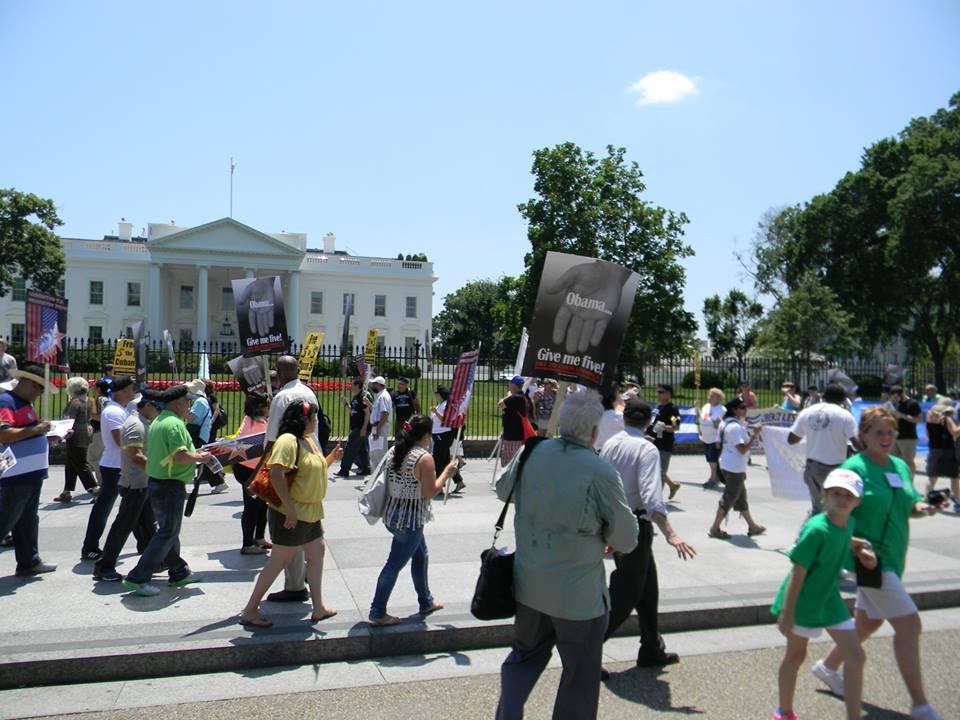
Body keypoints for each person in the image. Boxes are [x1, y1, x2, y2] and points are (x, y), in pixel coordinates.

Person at [494, 390, 638, 720]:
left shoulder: (533, 452)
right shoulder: (599, 470)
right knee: (580, 673)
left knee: (523, 657)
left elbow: (503, 489)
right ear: (594, 431)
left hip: (529, 584)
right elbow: (627, 538)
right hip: (578, 597)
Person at [812, 406, 948, 720]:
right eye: (879, 433)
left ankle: (828, 667)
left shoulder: (900, 466)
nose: (886, 438)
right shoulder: (852, 469)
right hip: (869, 561)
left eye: (890, 432)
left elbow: (908, 503)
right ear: (864, 435)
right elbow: (831, 516)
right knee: (910, 624)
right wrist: (857, 547)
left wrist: (924, 507)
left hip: (893, 557)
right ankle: (920, 704)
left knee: (869, 622)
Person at [598, 398, 696, 680]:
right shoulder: (647, 449)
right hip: (637, 526)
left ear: (625, 418)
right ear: (648, 421)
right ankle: (588, 650)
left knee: (647, 587)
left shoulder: (611, 445)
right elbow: (651, 498)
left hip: (617, 523)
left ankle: (651, 646)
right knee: (627, 591)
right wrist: (671, 534)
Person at [771, 469, 874, 720]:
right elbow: (798, 571)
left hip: (829, 599)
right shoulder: (816, 529)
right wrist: (788, 611)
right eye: (835, 493)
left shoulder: (848, 522)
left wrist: (861, 548)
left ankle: (853, 714)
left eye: (847, 495)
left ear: (858, 500)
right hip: (803, 602)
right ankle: (784, 712)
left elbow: (845, 536)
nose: (841, 499)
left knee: (855, 656)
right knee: (795, 656)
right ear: (824, 496)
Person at [239, 401, 342, 627]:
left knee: (317, 553)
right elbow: (276, 474)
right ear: (302, 419)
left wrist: (332, 458)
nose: (317, 421)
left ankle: (318, 607)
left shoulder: (308, 440)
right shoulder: (288, 440)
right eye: (313, 417)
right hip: (291, 512)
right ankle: (250, 609)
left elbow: (312, 470)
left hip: (311, 511)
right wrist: (290, 509)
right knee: (279, 560)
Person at [122, 384, 212, 596]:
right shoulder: (174, 425)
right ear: (178, 403)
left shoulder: (160, 421)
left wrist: (194, 453)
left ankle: (178, 571)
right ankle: (138, 576)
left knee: (169, 530)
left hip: (160, 482)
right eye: (188, 402)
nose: (189, 405)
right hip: (170, 484)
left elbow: (175, 453)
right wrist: (201, 457)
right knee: (167, 532)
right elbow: (180, 455)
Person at [368, 414, 458, 626]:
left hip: (393, 514)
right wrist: (447, 472)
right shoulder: (423, 458)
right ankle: (377, 610)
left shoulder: (396, 451)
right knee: (393, 564)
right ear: (426, 435)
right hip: (410, 519)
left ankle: (425, 601)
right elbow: (430, 492)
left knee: (421, 555)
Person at [262, 355, 320, 603]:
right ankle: (307, 573)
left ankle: (295, 585)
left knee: (289, 523)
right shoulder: (309, 392)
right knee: (307, 522)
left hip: (289, 465)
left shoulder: (281, 397)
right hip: (309, 459)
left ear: (281, 373)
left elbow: (273, 436)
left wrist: (264, 468)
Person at [93, 389, 164, 582]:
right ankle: (104, 566)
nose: (159, 411)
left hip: (141, 482)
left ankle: (161, 562)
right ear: (147, 406)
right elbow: (136, 456)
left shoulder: (142, 423)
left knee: (150, 527)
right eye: (157, 407)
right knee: (123, 525)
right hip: (135, 484)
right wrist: (160, 471)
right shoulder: (136, 425)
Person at [0, 366, 59, 577]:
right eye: (41, 389)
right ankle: (28, 561)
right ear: (32, 384)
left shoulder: (23, 404)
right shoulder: (6, 402)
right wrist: (37, 430)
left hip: (30, 473)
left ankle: (28, 561)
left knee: (27, 519)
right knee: (5, 519)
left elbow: (25, 433)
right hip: (17, 474)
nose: (40, 394)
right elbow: (4, 435)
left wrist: (48, 437)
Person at [81, 376, 134, 561]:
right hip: (114, 467)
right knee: (104, 508)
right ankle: (89, 547)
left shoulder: (120, 410)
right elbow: (121, 441)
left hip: (120, 466)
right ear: (122, 391)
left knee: (135, 508)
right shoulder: (114, 412)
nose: (133, 393)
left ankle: (146, 543)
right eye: (130, 389)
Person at [788, 383, 860, 514]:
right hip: (832, 469)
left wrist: (814, 433)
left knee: (817, 509)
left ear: (824, 397)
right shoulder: (845, 416)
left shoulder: (807, 412)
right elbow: (857, 444)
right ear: (843, 399)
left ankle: (811, 532)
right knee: (835, 511)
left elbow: (792, 439)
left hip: (811, 468)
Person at [708, 398, 766, 539]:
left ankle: (752, 526)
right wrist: (753, 436)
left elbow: (717, 445)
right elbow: (742, 449)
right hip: (735, 467)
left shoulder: (724, 424)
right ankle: (714, 528)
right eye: (742, 407)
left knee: (740, 497)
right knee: (729, 497)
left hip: (727, 465)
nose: (745, 409)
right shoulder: (735, 427)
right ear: (734, 409)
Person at [233, 394, 270, 555]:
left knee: (262, 505)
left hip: (245, 468)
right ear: (259, 407)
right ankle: (248, 544)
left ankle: (259, 537)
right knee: (252, 507)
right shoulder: (260, 424)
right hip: (251, 470)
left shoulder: (248, 419)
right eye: (267, 406)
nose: (269, 409)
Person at [55, 377, 99, 502]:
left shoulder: (74, 402)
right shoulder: (89, 401)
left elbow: (68, 420)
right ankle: (66, 491)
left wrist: (60, 435)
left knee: (80, 463)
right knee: (71, 463)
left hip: (74, 434)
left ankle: (95, 488)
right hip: (86, 432)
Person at [186, 379, 227, 494]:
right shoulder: (202, 401)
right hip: (201, 434)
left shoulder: (199, 402)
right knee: (203, 458)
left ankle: (219, 481)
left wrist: (183, 410)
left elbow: (191, 418)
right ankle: (219, 481)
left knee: (197, 457)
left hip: (197, 434)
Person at [647, 384, 681, 499]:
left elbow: (676, 427)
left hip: (664, 445)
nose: (658, 394)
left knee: (660, 473)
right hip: (653, 442)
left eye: (661, 392)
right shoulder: (658, 407)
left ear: (668, 394)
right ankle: (672, 486)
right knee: (655, 469)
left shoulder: (672, 409)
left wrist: (664, 427)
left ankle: (657, 500)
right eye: (658, 392)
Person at [923, 402, 959, 511]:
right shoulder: (946, 419)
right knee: (954, 478)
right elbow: (955, 432)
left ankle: (926, 500)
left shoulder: (928, 419)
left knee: (932, 477)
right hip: (947, 451)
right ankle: (959, 500)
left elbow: (927, 435)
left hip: (934, 450)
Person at [429, 386, 465, 494]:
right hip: (439, 435)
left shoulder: (446, 405)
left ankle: (439, 486)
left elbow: (446, 420)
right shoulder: (441, 405)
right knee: (445, 461)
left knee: (437, 461)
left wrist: (435, 412)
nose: (435, 395)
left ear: (441, 394)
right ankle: (459, 481)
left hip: (443, 435)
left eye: (437, 393)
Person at [335, 378, 372, 477]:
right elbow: (352, 411)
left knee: (350, 448)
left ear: (357, 386)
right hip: (356, 426)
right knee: (361, 449)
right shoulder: (356, 397)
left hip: (360, 427)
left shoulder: (363, 396)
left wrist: (364, 428)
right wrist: (346, 404)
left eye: (352, 385)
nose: (351, 387)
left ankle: (344, 470)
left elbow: (367, 413)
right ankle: (366, 468)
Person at [888, 385, 921, 479]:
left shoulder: (912, 403)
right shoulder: (897, 404)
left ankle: (909, 483)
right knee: (892, 460)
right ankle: (895, 483)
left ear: (901, 394)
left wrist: (902, 416)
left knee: (908, 461)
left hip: (908, 437)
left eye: (896, 397)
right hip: (895, 436)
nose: (894, 400)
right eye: (893, 397)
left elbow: (918, 419)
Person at [497, 375, 528, 466]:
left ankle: (510, 479)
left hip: (513, 436)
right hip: (512, 434)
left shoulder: (516, 397)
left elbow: (500, 405)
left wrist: (507, 396)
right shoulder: (519, 396)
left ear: (514, 385)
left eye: (510, 383)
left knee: (508, 463)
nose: (509, 385)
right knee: (510, 461)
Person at [699, 388, 726, 489]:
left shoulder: (722, 410)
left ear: (719, 398)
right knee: (709, 459)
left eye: (712, 396)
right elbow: (703, 418)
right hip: (706, 437)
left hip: (715, 438)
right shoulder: (706, 406)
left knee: (713, 459)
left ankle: (713, 478)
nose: (709, 398)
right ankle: (716, 477)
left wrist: (714, 423)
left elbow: (719, 424)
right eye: (709, 395)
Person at [86, 378, 111, 485]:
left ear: (99, 389)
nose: (92, 388)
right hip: (105, 432)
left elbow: (102, 417)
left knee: (93, 458)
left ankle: (103, 483)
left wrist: (88, 414)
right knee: (98, 457)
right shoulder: (108, 399)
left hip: (99, 433)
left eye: (94, 387)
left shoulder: (100, 400)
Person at [368, 375, 393, 470]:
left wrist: (377, 430)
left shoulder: (383, 397)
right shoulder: (382, 396)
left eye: (374, 384)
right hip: (377, 427)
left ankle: (379, 478)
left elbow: (385, 414)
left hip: (379, 428)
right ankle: (375, 477)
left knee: (379, 456)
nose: (372, 386)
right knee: (374, 454)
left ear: (378, 385)